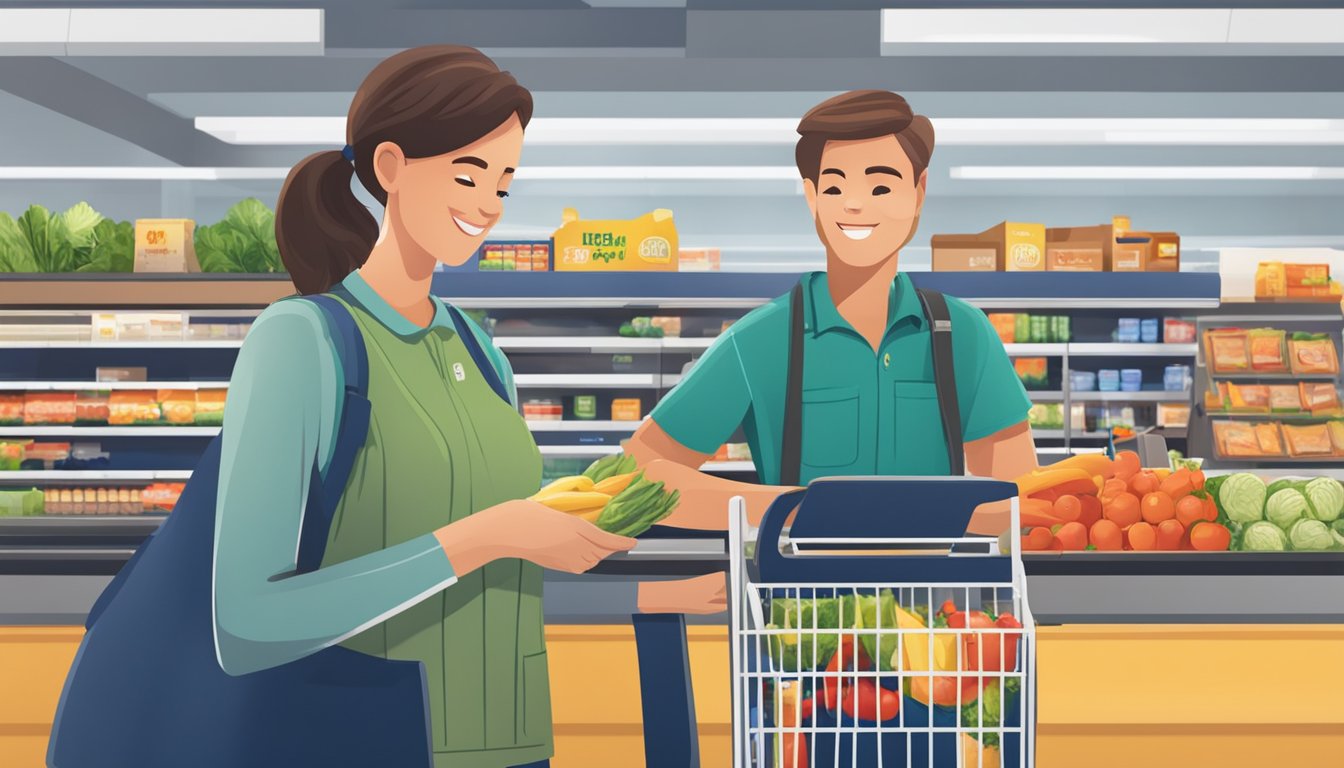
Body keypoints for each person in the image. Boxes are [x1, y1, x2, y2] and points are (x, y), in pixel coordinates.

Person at [50, 46, 633, 768]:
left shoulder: (484, 353)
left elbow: (500, 557)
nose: (488, 203)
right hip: (365, 738)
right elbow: (249, 621)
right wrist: (485, 537)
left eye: (505, 182)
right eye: (468, 173)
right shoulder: (303, 341)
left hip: (511, 741)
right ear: (389, 167)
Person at [629, 90, 1040, 615]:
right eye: (835, 185)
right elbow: (640, 472)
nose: (854, 203)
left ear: (918, 192)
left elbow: (1016, 501)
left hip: (940, 625)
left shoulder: (964, 333)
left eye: (880, 184)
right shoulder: (759, 340)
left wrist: (888, 517)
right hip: (802, 624)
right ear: (811, 197)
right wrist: (795, 510)